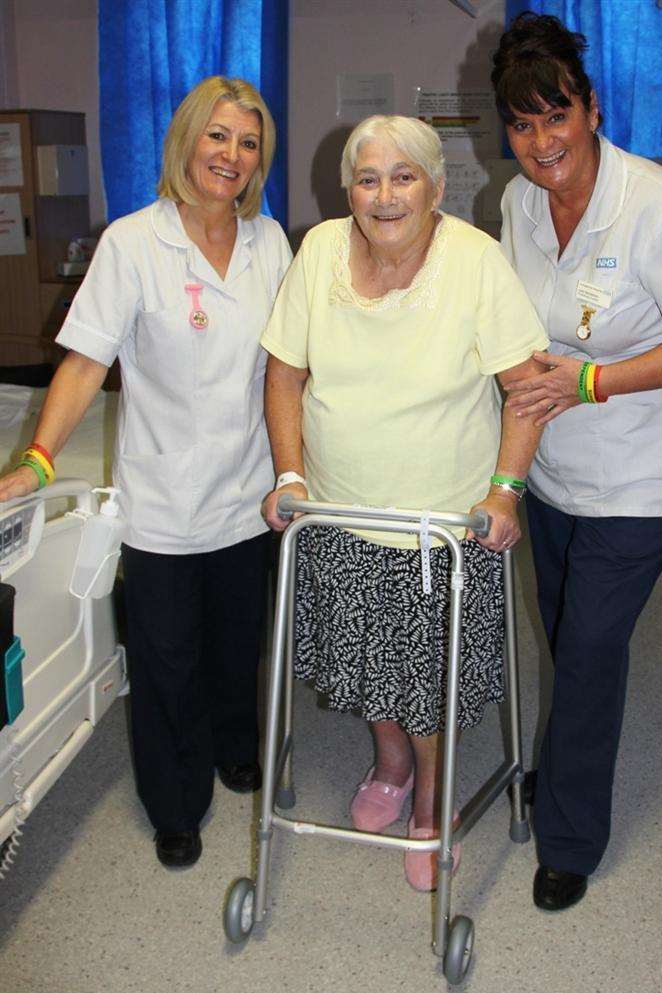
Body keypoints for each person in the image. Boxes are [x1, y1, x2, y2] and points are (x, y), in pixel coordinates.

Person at [0, 77, 292, 869]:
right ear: (187, 141)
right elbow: (86, 358)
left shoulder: (272, 244)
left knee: (240, 643)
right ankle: (175, 802)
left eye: (249, 142)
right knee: (167, 658)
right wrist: (37, 458)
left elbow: (290, 368)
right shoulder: (132, 242)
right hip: (163, 496)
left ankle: (237, 745)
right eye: (218, 137)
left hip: (251, 488)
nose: (231, 156)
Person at [491, 12, 662, 911]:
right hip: (552, 468)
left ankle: (568, 836)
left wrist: (594, 381)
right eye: (521, 124)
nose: (540, 141)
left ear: (590, 111)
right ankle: (562, 771)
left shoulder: (656, 206)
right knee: (566, 639)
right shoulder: (515, 204)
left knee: (591, 650)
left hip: (642, 476)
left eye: (554, 116)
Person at [260, 115, 548, 891]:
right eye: (367, 178)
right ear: (346, 188)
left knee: (426, 682)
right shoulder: (319, 250)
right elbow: (284, 373)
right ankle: (388, 760)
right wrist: (289, 475)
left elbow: (525, 388)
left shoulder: (475, 261)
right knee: (361, 661)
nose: (384, 195)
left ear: (435, 186)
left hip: (442, 524)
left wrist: (505, 491)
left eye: (403, 176)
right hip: (336, 511)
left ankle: (429, 795)